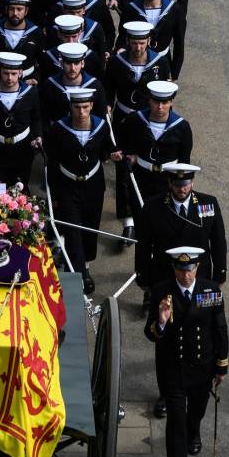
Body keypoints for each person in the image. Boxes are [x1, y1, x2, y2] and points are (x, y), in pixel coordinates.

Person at [136, 163, 228, 420]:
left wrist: (219, 275)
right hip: (167, 281)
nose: (182, 189)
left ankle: (198, 387)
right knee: (165, 337)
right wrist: (144, 278)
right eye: (177, 185)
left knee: (202, 332)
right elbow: (144, 245)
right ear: (169, 184)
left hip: (200, 281)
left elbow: (218, 242)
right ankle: (167, 393)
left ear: (192, 183)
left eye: (186, 184)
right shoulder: (154, 207)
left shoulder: (208, 205)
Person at [145, 247, 228, 457]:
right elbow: (151, 334)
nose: (186, 276)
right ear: (175, 270)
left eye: (190, 270)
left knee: (196, 413)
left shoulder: (210, 291)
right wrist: (161, 321)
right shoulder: (161, 292)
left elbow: (219, 328)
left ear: (197, 268)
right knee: (176, 426)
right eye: (181, 271)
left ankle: (195, 430)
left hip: (202, 369)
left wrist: (221, 366)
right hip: (174, 371)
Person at [104, 21, 170, 244]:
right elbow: (108, 88)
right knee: (123, 170)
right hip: (124, 120)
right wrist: (108, 104)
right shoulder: (117, 62)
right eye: (134, 42)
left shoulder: (160, 63)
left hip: (147, 122)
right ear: (128, 42)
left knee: (144, 169)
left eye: (142, 42)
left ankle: (149, 216)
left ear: (148, 41)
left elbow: (165, 96)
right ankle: (128, 223)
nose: (138, 46)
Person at [47, 86, 116, 293]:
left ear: (92, 106)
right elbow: (52, 162)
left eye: (85, 107)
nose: (81, 111)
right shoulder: (58, 129)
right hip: (68, 186)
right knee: (73, 231)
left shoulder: (102, 127)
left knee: (90, 228)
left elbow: (108, 149)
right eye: (77, 107)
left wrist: (113, 155)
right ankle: (75, 277)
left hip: (93, 186)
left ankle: (85, 267)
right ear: (71, 107)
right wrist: (55, 193)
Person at [116, 80, 193, 223]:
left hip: (167, 180)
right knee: (141, 218)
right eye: (156, 102)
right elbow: (122, 140)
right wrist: (128, 154)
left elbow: (184, 159)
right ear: (149, 100)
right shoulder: (136, 120)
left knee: (164, 221)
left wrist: (180, 185)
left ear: (171, 102)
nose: (160, 107)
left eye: (165, 102)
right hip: (141, 177)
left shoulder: (182, 127)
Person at [0, 51, 42, 190]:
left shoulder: (31, 92)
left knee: (20, 195)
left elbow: (36, 118)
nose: (9, 78)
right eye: (6, 73)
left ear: (20, 72)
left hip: (22, 150)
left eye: (14, 73)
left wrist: (38, 136)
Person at [117, 0, 186, 78]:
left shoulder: (174, 9)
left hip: (164, 60)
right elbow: (122, 36)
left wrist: (174, 72)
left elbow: (179, 43)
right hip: (136, 61)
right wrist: (121, 49)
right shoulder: (131, 9)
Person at [0, 0, 43, 83]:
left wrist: (36, 78)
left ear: (26, 11)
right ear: (6, 9)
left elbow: (41, 61)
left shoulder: (36, 32)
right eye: (11, 9)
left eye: (19, 9)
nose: (15, 13)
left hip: (27, 82)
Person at [40, 41, 107, 124]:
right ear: (61, 63)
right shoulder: (49, 85)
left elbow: (101, 118)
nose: (72, 68)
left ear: (82, 63)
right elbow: (42, 116)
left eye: (76, 63)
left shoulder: (95, 86)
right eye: (68, 63)